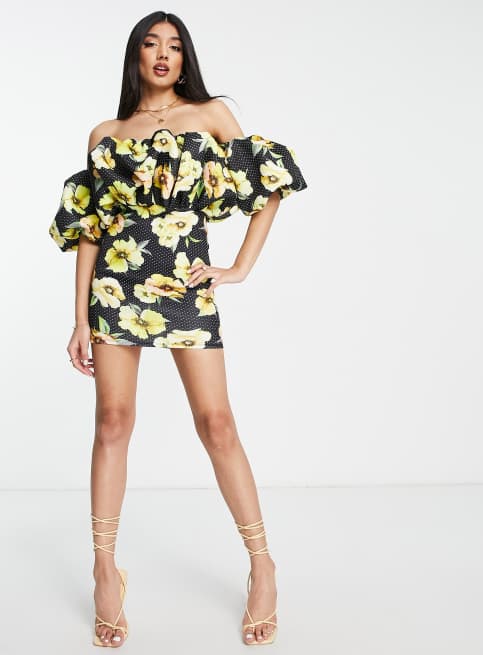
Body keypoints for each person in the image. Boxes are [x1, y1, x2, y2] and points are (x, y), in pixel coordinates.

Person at [49, 10, 307, 649]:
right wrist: (79, 317)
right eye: (150, 44)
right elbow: (91, 230)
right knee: (113, 422)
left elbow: (269, 182)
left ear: (185, 58)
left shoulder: (210, 114)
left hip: (186, 288)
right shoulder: (107, 133)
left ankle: (262, 565)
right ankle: (104, 570)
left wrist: (238, 267)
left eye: (173, 45)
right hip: (116, 287)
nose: (162, 54)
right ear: (135, 55)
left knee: (217, 424)